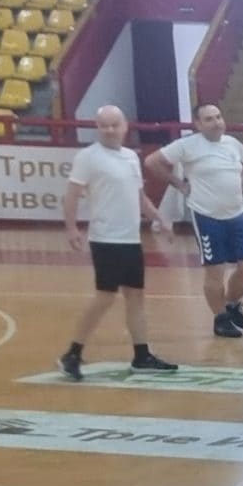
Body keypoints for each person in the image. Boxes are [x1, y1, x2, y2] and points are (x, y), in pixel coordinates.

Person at [57, 105, 175, 380]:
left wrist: (160, 219)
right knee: (105, 296)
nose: (110, 130)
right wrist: (72, 228)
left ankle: (142, 356)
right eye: (104, 125)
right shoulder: (88, 157)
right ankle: (72, 354)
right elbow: (72, 195)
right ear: (97, 128)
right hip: (106, 239)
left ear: (125, 126)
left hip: (130, 239)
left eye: (114, 124)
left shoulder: (131, 157)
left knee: (135, 296)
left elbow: (139, 197)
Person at [147, 103, 243, 340]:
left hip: (236, 215)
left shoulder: (232, 143)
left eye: (218, 117)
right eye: (209, 119)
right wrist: (179, 184)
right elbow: (152, 162)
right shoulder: (187, 145)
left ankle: (232, 305)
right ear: (198, 124)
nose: (216, 122)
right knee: (215, 270)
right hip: (207, 216)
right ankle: (220, 318)